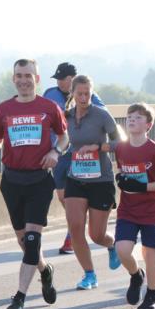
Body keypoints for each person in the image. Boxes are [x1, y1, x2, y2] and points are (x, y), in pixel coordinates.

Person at [0, 58, 67, 309]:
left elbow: (64, 137)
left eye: (28, 75)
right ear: (13, 79)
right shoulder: (2, 110)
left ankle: (19, 298)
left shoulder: (49, 107)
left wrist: (56, 151)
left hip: (39, 180)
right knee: (25, 243)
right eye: (19, 75)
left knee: (32, 240)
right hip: (11, 182)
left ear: (37, 79)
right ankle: (45, 270)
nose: (23, 80)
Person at [114, 104, 155, 309]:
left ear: (149, 125)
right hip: (128, 210)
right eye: (130, 117)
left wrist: (143, 186)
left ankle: (153, 294)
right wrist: (122, 179)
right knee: (122, 250)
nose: (132, 120)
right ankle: (135, 275)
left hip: (152, 210)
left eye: (138, 117)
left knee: (151, 253)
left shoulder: (154, 151)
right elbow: (123, 171)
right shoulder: (121, 147)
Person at [62, 75, 122, 290]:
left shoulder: (102, 115)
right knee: (76, 227)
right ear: (73, 93)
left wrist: (98, 147)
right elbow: (56, 138)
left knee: (96, 235)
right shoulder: (66, 116)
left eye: (88, 93)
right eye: (80, 93)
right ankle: (89, 274)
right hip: (76, 178)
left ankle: (112, 244)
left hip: (101, 180)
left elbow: (120, 143)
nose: (84, 97)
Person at [45, 62, 104, 256]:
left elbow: (104, 117)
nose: (59, 82)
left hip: (81, 154)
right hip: (59, 152)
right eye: (58, 79)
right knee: (62, 196)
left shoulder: (90, 95)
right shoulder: (50, 94)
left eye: (62, 79)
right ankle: (77, 224)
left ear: (71, 79)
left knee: (73, 197)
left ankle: (73, 233)